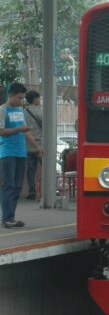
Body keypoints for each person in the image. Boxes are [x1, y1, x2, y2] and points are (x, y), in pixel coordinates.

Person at [0, 83, 43, 228]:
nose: (21, 101)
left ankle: (11, 216)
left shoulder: (19, 110)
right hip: (7, 153)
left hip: (21, 152)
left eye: (23, 98)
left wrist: (37, 146)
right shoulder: (2, 110)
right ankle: (7, 218)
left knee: (17, 187)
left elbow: (26, 131)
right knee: (9, 185)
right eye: (19, 98)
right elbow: (1, 131)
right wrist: (19, 128)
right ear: (11, 95)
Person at [24, 90, 42, 200]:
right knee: (46, 168)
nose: (39, 100)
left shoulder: (23, 112)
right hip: (40, 144)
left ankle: (32, 191)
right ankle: (49, 190)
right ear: (34, 99)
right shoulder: (39, 112)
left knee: (31, 169)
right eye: (39, 98)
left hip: (28, 145)